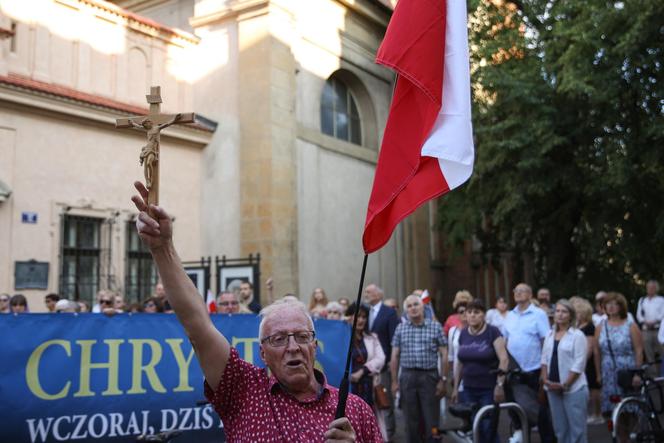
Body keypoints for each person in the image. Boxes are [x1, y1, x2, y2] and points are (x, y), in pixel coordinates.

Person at [131, 181, 376, 442]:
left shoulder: (354, 410)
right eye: (279, 339)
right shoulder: (242, 390)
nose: (292, 346)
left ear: (314, 345)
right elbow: (198, 329)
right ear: (263, 353)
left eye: (301, 336)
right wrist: (162, 249)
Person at [390, 294, 447, 442]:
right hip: (408, 377)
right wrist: (394, 381)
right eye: (409, 306)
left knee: (431, 419)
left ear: (423, 307)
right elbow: (394, 356)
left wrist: (443, 380)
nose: (413, 308)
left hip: (429, 377)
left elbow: (444, 354)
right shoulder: (400, 328)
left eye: (416, 304)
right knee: (410, 420)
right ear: (406, 311)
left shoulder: (435, 327)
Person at [503, 283, 554, 443]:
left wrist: (545, 368)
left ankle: (548, 440)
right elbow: (505, 340)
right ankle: (523, 438)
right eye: (515, 291)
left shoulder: (538, 314)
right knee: (517, 409)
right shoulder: (509, 315)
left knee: (539, 411)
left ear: (530, 294)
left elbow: (546, 340)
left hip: (534, 369)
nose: (517, 293)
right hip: (514, 370)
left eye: (521, 291)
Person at [452, 300, 508, 443]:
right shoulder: (463, 334)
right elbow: (459, 363)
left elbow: (504, 359)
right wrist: (455, 388)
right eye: (469, 312)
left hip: (488, 388)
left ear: (483, 315)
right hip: (468, 388)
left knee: (488, 426)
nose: (472, 315)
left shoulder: (492, 332)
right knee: (474, 426)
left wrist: (499, 385)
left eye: (476, 312)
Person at [594, 291, 643, 441]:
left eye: (615, 304)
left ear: (621, 307)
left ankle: (631, 436)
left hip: (627, 369)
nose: (611, 307)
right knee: (612, 410)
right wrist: (598, 373)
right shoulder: (601, 326)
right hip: (608, 371)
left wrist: (637, 373)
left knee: (629, 409)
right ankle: (621, 438)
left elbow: (639, 349)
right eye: (608, 304)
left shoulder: (630, 325)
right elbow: (597, 351)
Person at [541, 299, 589, 443]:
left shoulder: (577, 335)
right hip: (552, 388)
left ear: (571, 315)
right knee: (560, 431)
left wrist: (565, 384)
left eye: (564, 311)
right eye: (558, 311)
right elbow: (544, 360)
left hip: (573, 388)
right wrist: (545, 381)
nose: (560, 314)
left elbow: (579, 364)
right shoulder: (549, 334)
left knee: (577, 431)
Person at [345, 302, 387, 440]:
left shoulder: (372, 337)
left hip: (368, 386)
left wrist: (363, 370)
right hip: (349, 388)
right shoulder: (342, 337)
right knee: (350, 421)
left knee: (369, 421)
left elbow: (380, 358)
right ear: (349, 317)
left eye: (364, 317)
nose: (361, 320)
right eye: (357, 316)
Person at [364, 283, 400, 441]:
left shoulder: (389, 313)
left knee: (385, 401)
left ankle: (389, 433)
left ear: (379, 294)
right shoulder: (365, 312)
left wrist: (392, 364)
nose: (366, 294)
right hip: (366, 364)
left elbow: (394, 340)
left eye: (369, 292)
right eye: (365, 292)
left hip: (383, 366)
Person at [570, 296, 603, 425]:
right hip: (579, 360)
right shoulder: (577, 326)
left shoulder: (589, 327)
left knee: (594, 388)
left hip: (587, 362)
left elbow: (590, 347)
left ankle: (597, 414)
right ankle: (589, 413)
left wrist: (581, 363)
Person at [636, 280, 664, 377]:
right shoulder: (642, 300)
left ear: (656, 289)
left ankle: (662, 375)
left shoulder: (661, 300)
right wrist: (645, 322)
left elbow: (662, 314)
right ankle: (653, 376)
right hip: (646, 331)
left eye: (652, 288)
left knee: (662, 352)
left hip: (658, 330)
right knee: (649, 354)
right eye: (649, 288)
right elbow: (639, 315)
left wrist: (655, 321)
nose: (650, 290)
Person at [447, 302, 468, 384]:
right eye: (461, 312)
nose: (465, 314)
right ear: (457, 315)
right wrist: (452, 374)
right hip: (457, 375)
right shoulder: (453, 331)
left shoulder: (476, 331)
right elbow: (451, 356)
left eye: (467, 311)